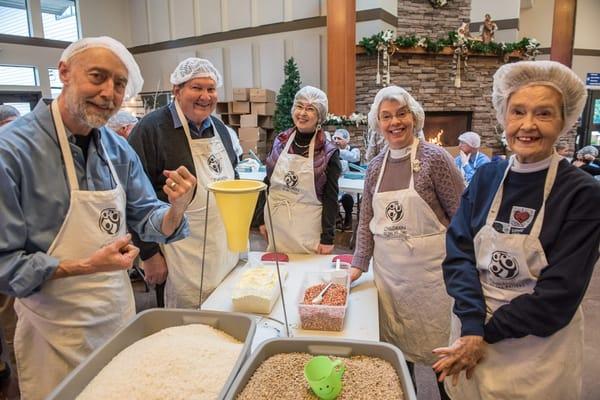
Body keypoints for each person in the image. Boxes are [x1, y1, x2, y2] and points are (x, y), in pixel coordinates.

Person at [0, 36, 196, 400]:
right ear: (64, 73)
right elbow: (5, 266)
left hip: (115, 315)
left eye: (119, 84)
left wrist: (176, 208)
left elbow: (145, 216)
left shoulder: (116, 148)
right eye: (97, 76)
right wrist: (83, 266)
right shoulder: (11, 152)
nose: (109, 93)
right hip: (54, 333)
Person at [434, 60, 600, 400]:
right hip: (472, 327)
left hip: (535, 352)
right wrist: (471, 324)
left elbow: (559, 296)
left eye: (543, 114)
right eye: (518, 112)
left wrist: (481, 334)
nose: (527, 125)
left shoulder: (581, 193)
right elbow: (459, 253)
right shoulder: (487, 176)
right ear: (503, 116)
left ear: (564, 120)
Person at [349, 86, 464, 400]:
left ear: (414, 117)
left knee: (443, 356)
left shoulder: (435, 159)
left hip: (433, 281)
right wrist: (358, 263)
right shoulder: (375, 167)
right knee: (399, 356)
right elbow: (366, 222)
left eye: (401, 114)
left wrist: (466, 268)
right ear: (379, 123)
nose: (394, 122)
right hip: (391, 280)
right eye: (386, 116)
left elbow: (462, 215)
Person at [128, 58, 240, 308]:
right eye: (196, 88)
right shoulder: (150, 129)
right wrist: (149, 254)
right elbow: (132, 198)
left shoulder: (220, 130)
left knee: (222, 310)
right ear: (176, 91)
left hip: (220, 248)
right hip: (177, 251)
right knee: (183, 321)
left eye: (210, 89)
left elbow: (234, 182)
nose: (205, 96)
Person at [257, 86, 341, 254]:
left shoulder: (328, 152)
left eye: (310, 109)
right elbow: (267, 182)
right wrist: (260, 219)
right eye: (299, 106)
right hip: (276, 225)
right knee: (277, 273)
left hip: (306, 231)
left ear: (320, 116)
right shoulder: (280, 141)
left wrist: (328, 238)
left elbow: (331, 197)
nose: (302, 113)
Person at [333, 128, 361, 230]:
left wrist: (337, 151)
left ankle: (348, 218)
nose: (336, 141)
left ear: (346, 140)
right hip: (338, 183)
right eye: (334, 138)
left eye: (339, 138)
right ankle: (337, 219)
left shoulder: (354, 150)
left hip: (351, 184)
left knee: (347, 198)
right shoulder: (332, 151)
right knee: (330, 196)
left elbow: (354, 158)